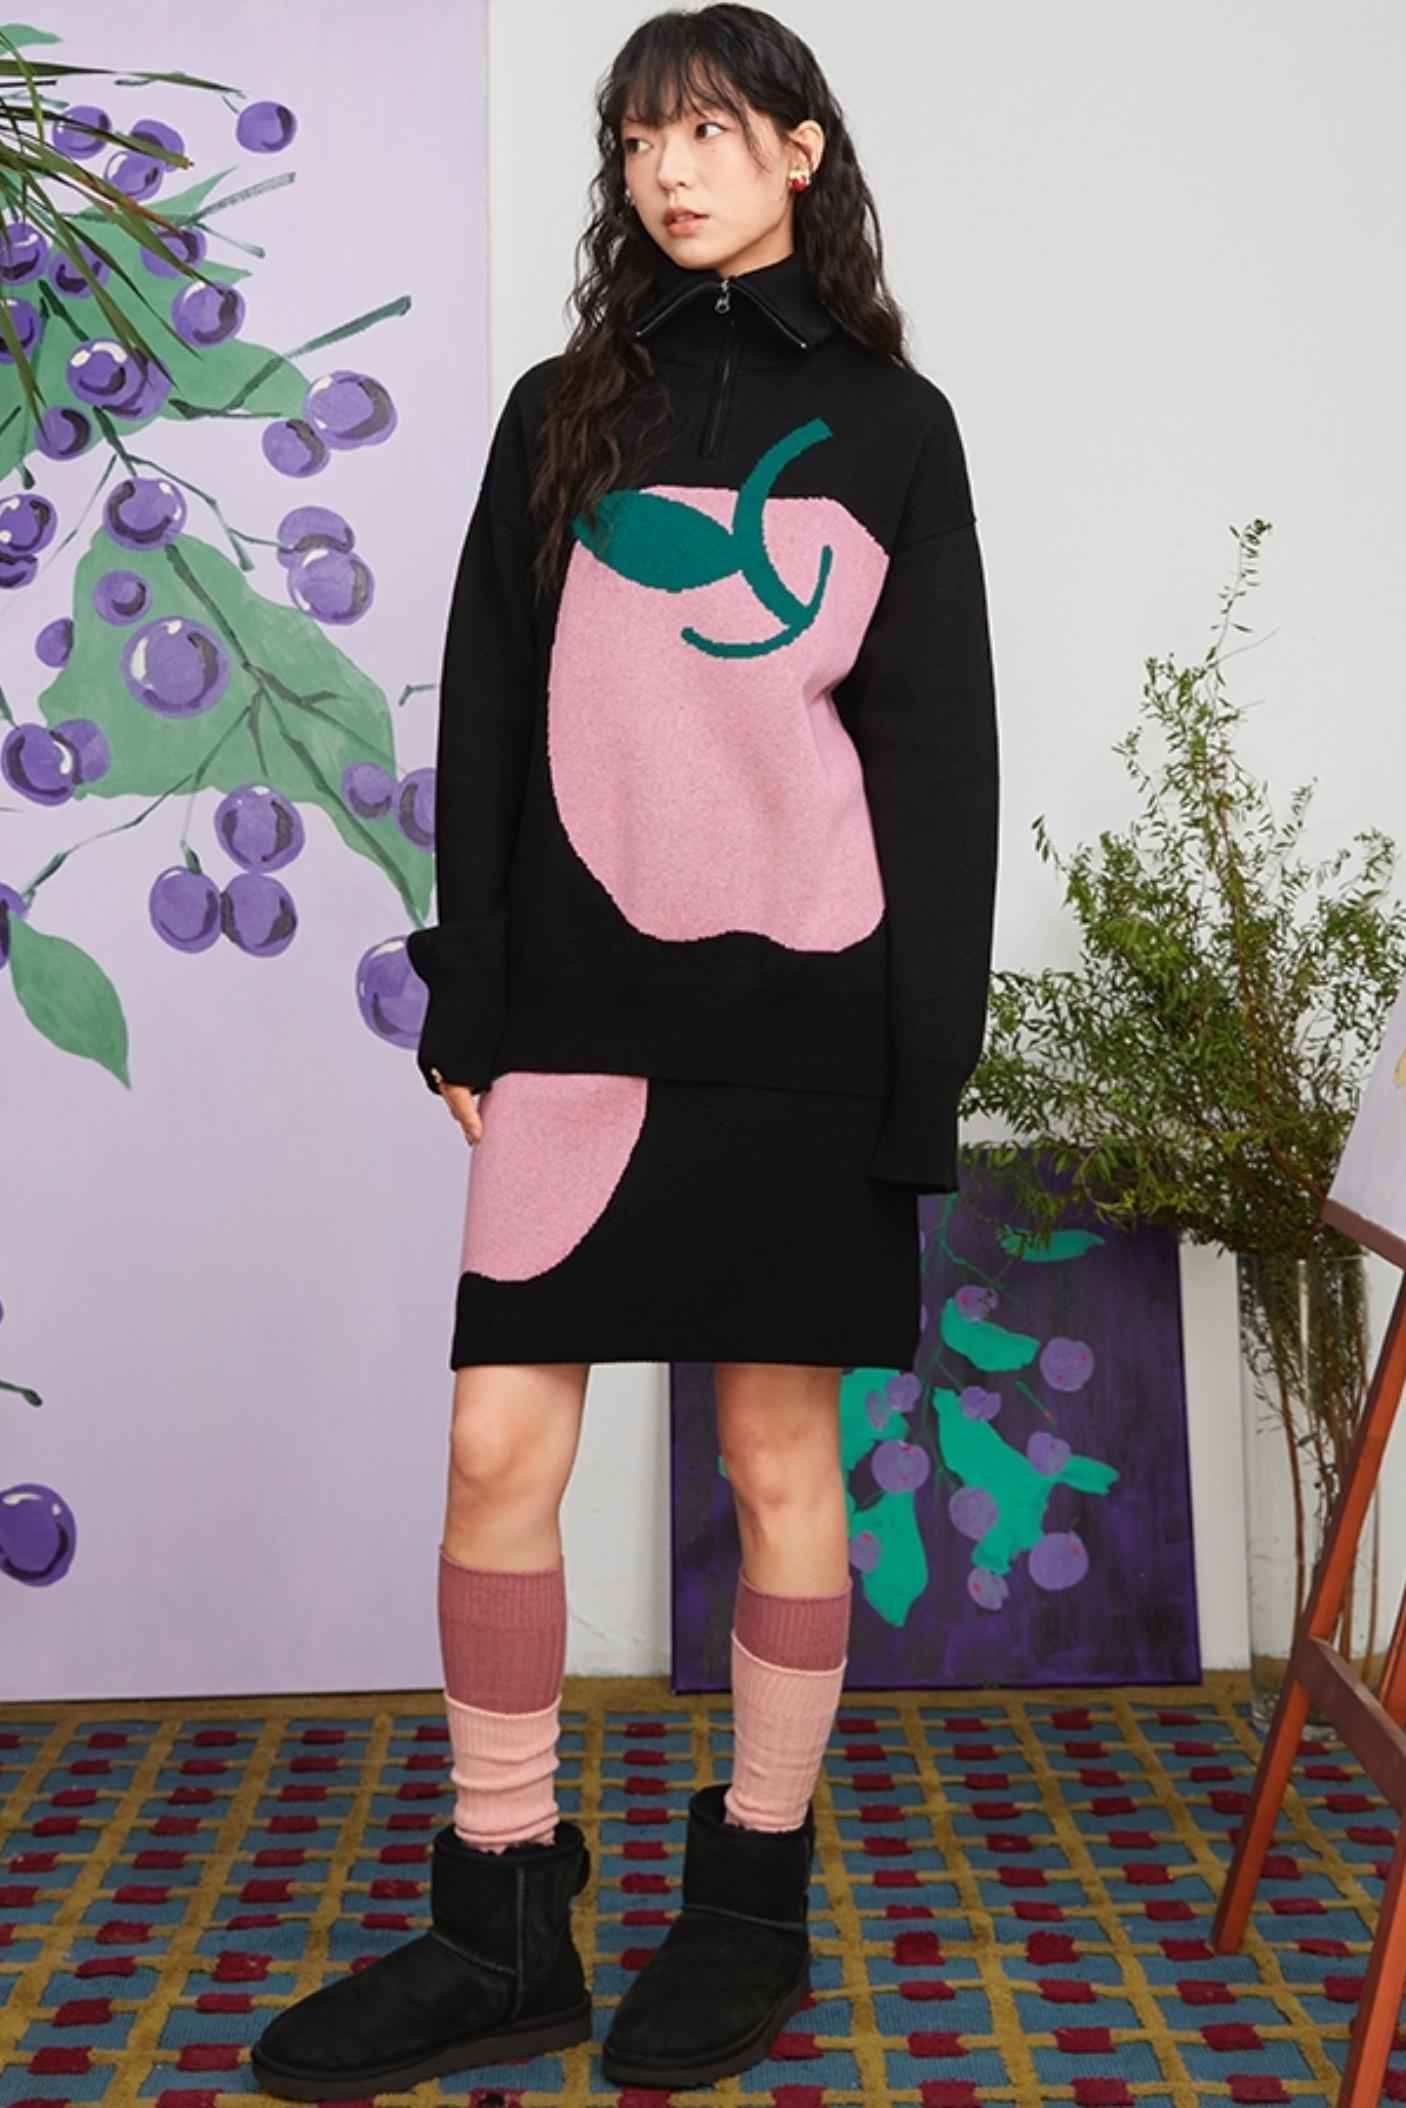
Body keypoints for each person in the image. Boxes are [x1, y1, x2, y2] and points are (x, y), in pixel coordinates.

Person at [250, 2, 999, 2097]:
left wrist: (918, 1072)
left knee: (774, 1461)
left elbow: (936, 765)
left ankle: (748, 1901)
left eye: (708, 130)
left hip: (800, 1021)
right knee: (499, 1448)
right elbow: (487, 705)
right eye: (639, 138)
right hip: (581, 1011)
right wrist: (472, 991)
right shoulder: (562, 409)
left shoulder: (896, 429)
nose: (668, 169)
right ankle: (501, 1917)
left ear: (799, 152)